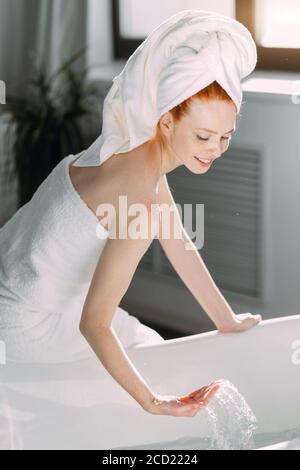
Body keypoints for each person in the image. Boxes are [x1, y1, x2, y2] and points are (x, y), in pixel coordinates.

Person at [0, 10, 261, 418]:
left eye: (226, 136)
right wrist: (154, 403)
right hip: (26, 325)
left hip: (23, 289)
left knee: (150, 348)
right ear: (167, 121)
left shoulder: (129, 147)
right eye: (203, 136)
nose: (215, 150)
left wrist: (225, 320)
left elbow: (178, 243)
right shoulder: (137, 199)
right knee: (141, 378)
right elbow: (94, 324)